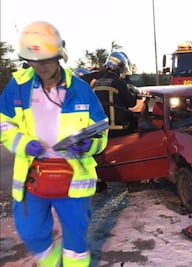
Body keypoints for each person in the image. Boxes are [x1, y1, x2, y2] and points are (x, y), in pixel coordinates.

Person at [0, 21, 108, 267]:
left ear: (60, 55)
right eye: (34, 60)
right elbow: (3, 124)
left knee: (76, 245)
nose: (41, 65)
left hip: (73, 182)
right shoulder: (17, 87)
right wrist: (23, 142)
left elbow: (101, 132)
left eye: (47, 59)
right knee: (30, 233)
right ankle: (49, 261)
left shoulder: (81, 90)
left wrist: (87, 146)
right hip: (32, 178)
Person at [92, 51, 138, 137]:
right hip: (118, 129)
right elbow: (131, 103)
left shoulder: (98, 82)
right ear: (120, 68)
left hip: (101, 128)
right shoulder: (119, 82)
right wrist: (134, 93)